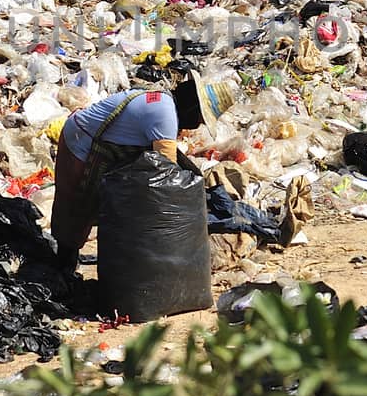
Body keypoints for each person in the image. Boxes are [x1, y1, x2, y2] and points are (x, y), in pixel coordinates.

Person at [50, 73, 237, 272]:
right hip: (81, 140)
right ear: (193, 108)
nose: (196, 125)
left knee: (92, 206)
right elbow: (167, 170)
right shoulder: (164, 115)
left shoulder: (164, 102)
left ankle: (69, 259)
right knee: (77, 204)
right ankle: (63, 268)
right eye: (199, 119)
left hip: (99, 142)